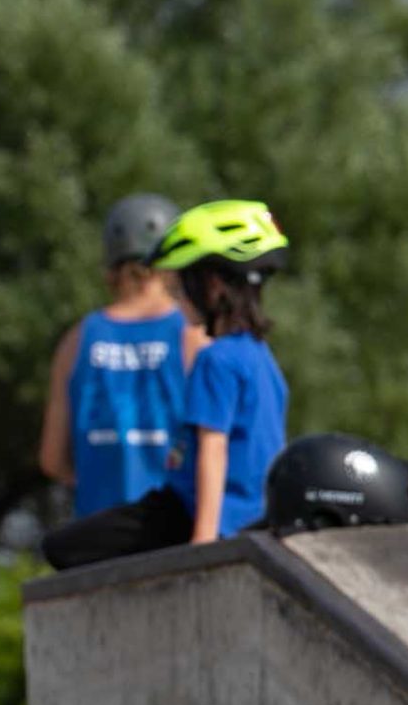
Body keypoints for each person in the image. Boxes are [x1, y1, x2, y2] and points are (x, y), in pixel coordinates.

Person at [41, 200, 292, 568]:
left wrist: (204, 541)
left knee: (60, 549)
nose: (176, 298)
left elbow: (213, 447)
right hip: (250, 518)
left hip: (180, 515)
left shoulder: (79, 340)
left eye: (181, 286)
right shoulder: (260, 357)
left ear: (210, 285)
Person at [38, 193, 203, 515]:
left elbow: (51, 459)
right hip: (172, 532)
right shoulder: (192, 334)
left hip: (98, 533)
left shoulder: (77, 339)